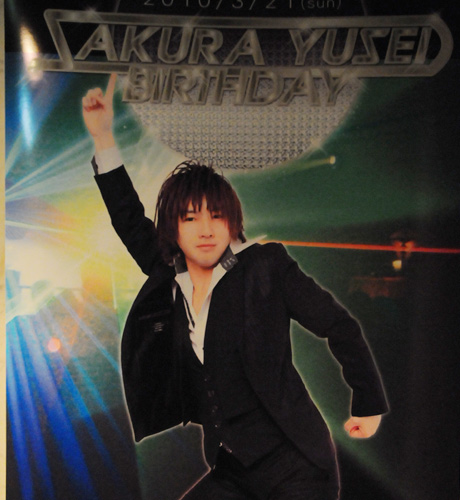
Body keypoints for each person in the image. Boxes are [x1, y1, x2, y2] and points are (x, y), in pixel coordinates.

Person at [82, 74, 388, 499]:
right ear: (173, 227)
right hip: (232, 468)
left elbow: (339, 325)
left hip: (297, 465)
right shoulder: (168, 272)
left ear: (232, 220)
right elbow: (128, 217)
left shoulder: (265, 267)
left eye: (216, 215)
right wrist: (103, 138)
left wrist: (369, 403)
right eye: (191, 218)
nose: (206, 229)